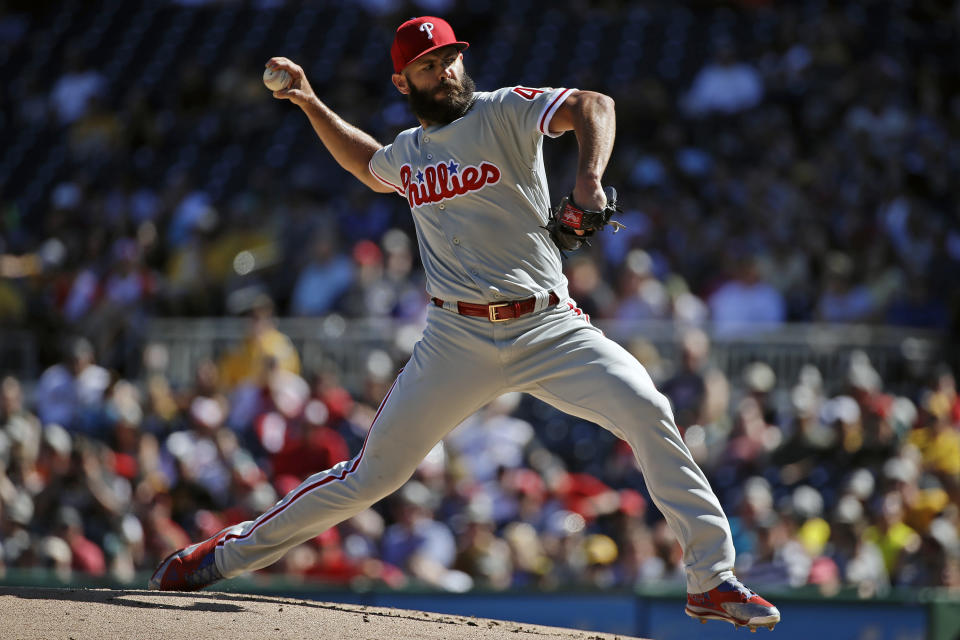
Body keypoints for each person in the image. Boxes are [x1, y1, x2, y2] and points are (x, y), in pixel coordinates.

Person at [148, 16, 780, 631]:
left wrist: (588, 179)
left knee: (649, 409)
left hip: (548, 326)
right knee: (371, 476)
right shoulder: (411, 153)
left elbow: (595, 103)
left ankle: (710, 579)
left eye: (451, 57)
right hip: (455, 339)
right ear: (403, 83)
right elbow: (366, 164)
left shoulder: (502, 111)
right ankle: (222, 556)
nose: (448, 70)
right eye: (429, 65)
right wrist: (309, 100)